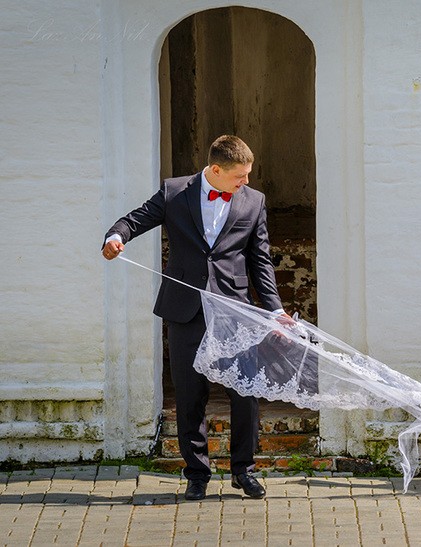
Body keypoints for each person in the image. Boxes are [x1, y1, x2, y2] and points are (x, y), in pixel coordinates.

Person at [102, 135, 288, 501]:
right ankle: (197, 474)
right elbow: (134, 220)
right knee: (190, 395)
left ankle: (243, 471)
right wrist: (115, 236)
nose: (246, 182)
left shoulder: (254, 202)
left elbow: (260, 261)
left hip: (235, 311)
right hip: (185, 309)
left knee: (245, 393)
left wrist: (276, 310)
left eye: (248, 175)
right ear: (216, 170)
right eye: (240, 176)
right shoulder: (174, 192)